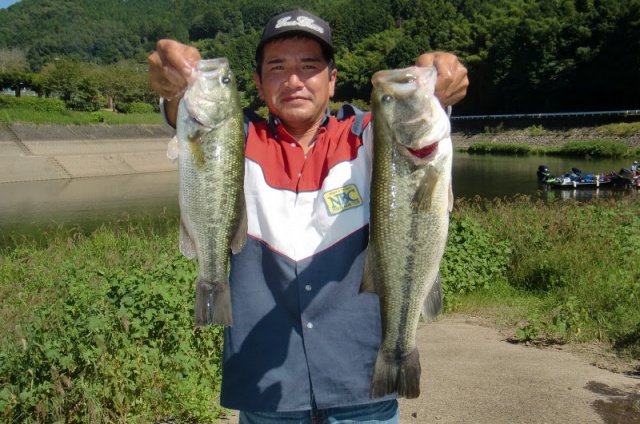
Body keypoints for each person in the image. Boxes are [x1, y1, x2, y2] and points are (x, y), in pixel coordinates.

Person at [148, 9, 468, 424]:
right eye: (277, 68)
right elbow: (189, 119)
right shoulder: (233, 138)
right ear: (260, 85)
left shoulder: (368, 136)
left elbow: (412, 124)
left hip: (360, 383)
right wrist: (173, 87)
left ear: (331, 80)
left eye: (309, 67)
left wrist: (436, 71)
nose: (294, 80)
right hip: (266, 389)